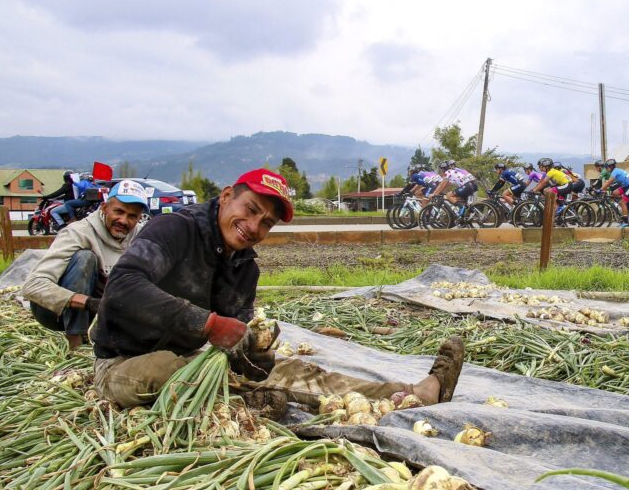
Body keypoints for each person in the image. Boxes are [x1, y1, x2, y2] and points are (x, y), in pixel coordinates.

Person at [89, 169, 464, 416]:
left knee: (293, 370)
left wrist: (255, 350)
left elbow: (232, 346)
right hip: (126, 362)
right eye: (249, 210)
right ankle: (249, 402)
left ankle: (412, 393)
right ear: (225, 197)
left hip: (197, 357)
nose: (253, 226)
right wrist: (206, 323)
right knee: (172, 371)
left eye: (265, 222)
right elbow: (122, 290)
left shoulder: (244, 268)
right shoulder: (173, 231)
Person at [23, 180, 149, 351]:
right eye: (118, 211)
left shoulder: (142, 236)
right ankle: (76, 343)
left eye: (132, 216)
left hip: (105, 308)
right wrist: (88, 302)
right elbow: (33, 286)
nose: (124, 220)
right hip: (55, 311)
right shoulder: (78, 232)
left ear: (139, 217)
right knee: (85, 258)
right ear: (104, 208)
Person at [602, 159, 629, 227]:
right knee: (614, 193)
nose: (606, 169)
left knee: (622, 202)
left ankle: (625, 222)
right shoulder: (616, 170)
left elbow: (609, 182)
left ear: (610, 167)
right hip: (627, 185)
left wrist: (601, 189)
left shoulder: (615, 172)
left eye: (606, 168)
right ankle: (622, 204)